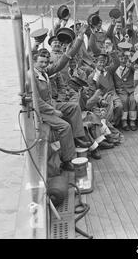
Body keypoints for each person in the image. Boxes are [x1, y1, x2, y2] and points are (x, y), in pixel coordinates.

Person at [32, 24, 95, 170]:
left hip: (51, 104)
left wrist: (79, 37)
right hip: (41, 111)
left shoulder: (45, 72)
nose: (44, 64)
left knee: (74, 107)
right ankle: (68, 160)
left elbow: (63, 61)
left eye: (46, 62)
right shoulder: (32, 76)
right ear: (34, 62)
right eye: (40, 62)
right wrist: (53, 111)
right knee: (65, 126)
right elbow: (38, 102)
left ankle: (79, 138)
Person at [87, 51, 123, 128]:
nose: (102, 64)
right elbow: (93, 92)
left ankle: (113, 125)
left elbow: (117, 63)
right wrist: (100, 100)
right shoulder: (92, 76)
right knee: (104, 112)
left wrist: (112, 53)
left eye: (103, 62)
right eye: (100, 62)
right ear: (96, 62)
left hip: (112, 94)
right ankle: (107, 126)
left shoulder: (109, 70)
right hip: (101, 97)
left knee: (119, 106)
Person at [114, 50, 138, 131]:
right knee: (124, 100)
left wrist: (131, 66)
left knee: (133, 100)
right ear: (118, 59)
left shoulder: (129, 67)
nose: (123, 60)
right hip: (121, 90)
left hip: (131, 89)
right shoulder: (115, 69)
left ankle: (132, 121)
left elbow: (137, 72)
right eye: (121, 58)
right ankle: (124, 121)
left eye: (124, 58)